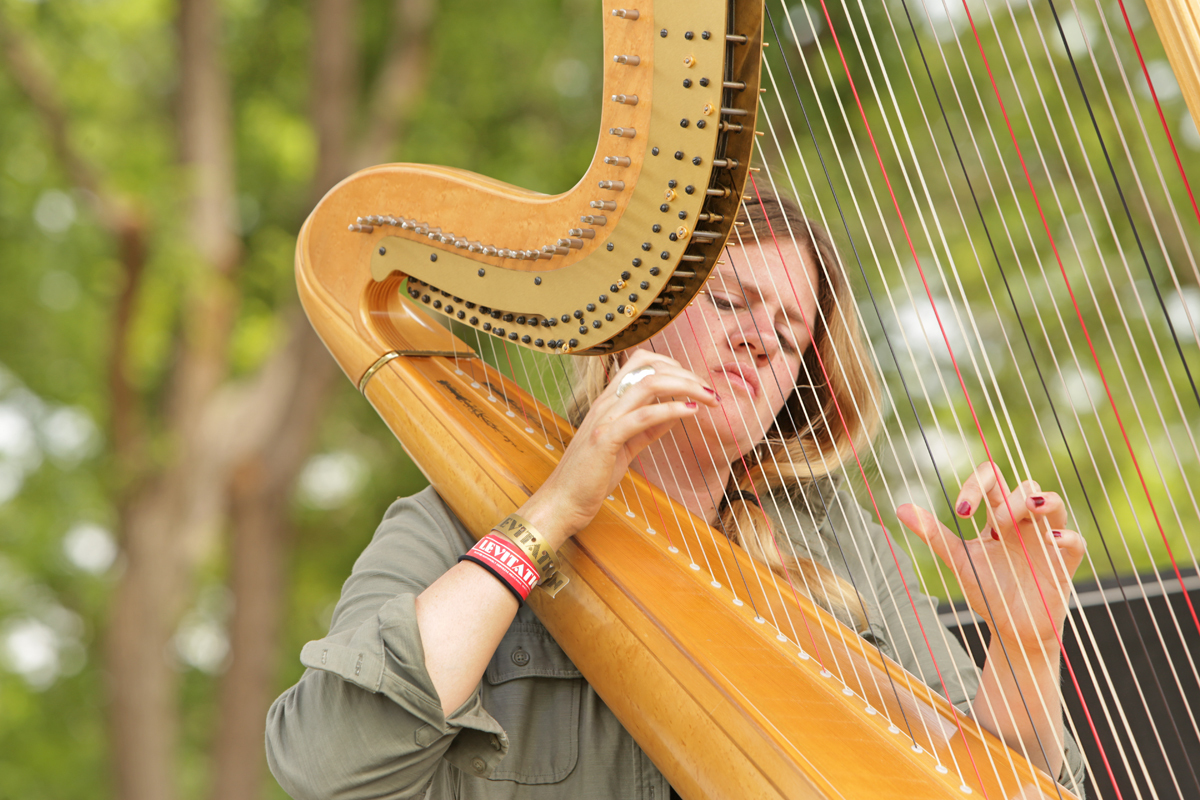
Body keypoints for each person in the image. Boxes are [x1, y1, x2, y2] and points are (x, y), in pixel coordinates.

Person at [266, 192, 1088, 799]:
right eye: (732, 301)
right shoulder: (453, 520)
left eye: (792, 333)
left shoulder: (839, 539)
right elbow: (327, 764)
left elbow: (993, 784)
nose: (761, 341)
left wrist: (1022, 644)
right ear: (636, 316)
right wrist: (553, 513)